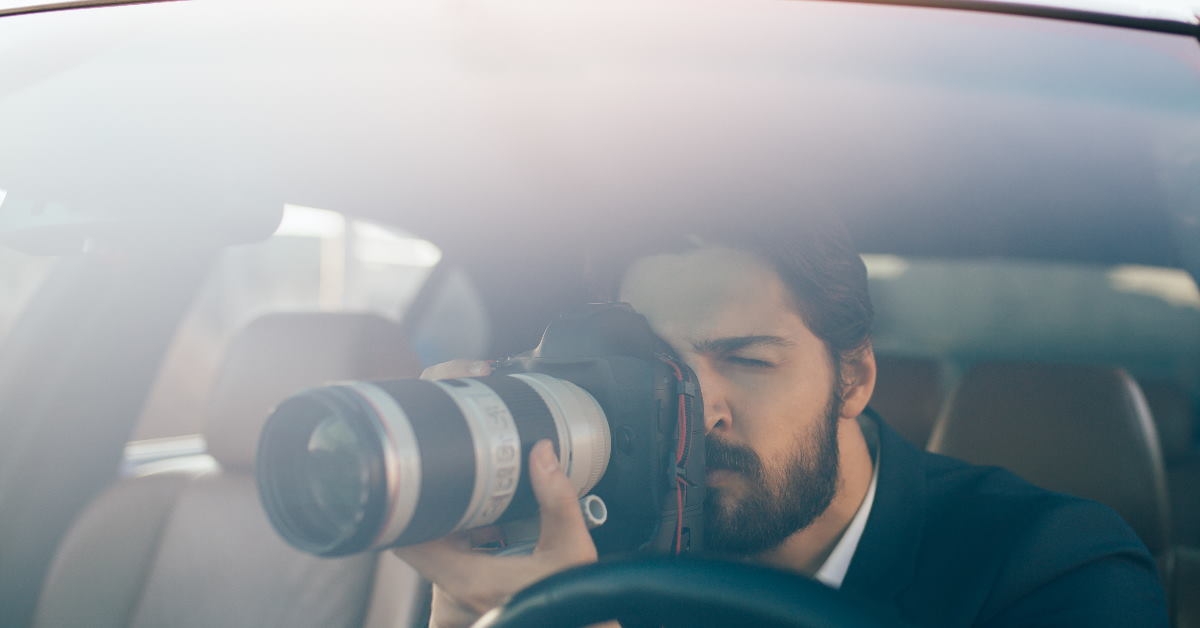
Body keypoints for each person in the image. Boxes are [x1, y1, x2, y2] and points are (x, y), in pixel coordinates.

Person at [395, 216, 1168, 627]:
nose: (701, 411)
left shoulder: (1052, 568)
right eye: (661, 370)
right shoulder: (584, 551)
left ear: (854, 377)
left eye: (747, 360)